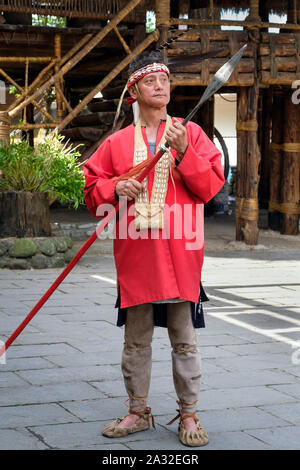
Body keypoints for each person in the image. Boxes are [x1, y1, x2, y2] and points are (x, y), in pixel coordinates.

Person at [83, 51, 225, 447]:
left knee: (184, 336)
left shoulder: (190, 134)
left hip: (181, 251)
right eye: (151, 81)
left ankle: (189, 412)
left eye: (164, 80)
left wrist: (184, 153)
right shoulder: (117, 143)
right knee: (137, 337)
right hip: (136, 254)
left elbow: (211, 187)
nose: (160, 86)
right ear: (134, 91)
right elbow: (93, 190)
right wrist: (115, 187)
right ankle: (138, 410)